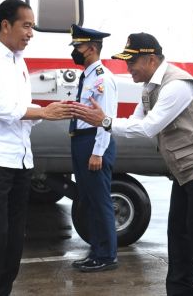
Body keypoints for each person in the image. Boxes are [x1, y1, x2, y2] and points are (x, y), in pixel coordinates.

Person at [71, 33, 193, 295]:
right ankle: (179, 290)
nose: (128, 67)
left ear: (152, 59)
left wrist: (105, 122)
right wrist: (106, 121)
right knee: (178, 234)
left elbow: (148, 127)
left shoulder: (178, 85)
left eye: (132, 62)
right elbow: (134, 121)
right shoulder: (150, 87)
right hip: (184, 170)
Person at [0, 0, 72, 295]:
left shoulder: (18, 60)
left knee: (15, 236)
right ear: (5, 25)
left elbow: (21, 108)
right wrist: (42, 112)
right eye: (26, 25)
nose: (30, 33)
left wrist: (48, 110)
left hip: (20, 158)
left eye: (32, 27)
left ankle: (2, 290)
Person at [67, 24, 119, 272]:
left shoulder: (102, 79)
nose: (74, 50)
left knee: (99, 201)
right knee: (88, 200)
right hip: (81, 140)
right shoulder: (87, 75)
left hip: (93, 142)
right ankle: (96, 251)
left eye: (77, 46)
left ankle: (107, 255)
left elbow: (105, 119)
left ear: (90, 47)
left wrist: (98, 151)